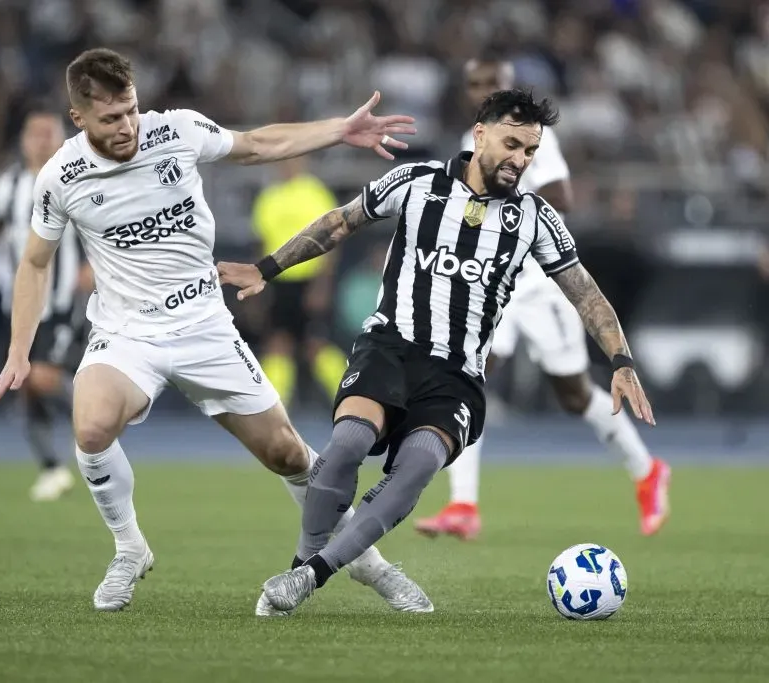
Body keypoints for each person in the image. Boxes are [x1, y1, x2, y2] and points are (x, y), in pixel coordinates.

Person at [0, 48, 433, 615]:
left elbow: (259, 144)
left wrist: (339, 130)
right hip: (126, 334)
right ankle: (129, 548)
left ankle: (370, 565)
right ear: (79, 119)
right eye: (110, 119)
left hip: (204, 327)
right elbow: (36, 263)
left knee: (287, 454)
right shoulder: (60, 177)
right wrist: (19, 350)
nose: (127, 127)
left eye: (131, 111)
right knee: (91, 429)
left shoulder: (178, 131)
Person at [218, 89, 656, 614]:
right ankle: (308, 565)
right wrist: (266, 268)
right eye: (512, 143)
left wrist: (621, 360)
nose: (520, 159)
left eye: (531, 151)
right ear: (480, 133)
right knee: (348, 443)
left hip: (456, 375)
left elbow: (585, 292)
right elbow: (339, 222)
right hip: (389, 347)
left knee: (419, 463)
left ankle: (308, 576)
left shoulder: (535, 218)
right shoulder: (417, 181)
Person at [415, 56, 670, 540]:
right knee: (472, 378)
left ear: (510, 85)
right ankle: (464, 504)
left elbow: (563, 197)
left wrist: (508, 214)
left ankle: (647, 470)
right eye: (476, 83)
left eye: (494, 81)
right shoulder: (466, 145)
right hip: (492, 282)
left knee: (573, 395)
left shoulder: (532, 139)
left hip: (535, 282)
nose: (484, 88)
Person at [0, 110, 88, 501]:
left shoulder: (77, 177)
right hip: (21, 303)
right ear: (24, 140)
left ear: (62, 137)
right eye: (36, 133)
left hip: (62, 300)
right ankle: (51, 468)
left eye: (50, 133)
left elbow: (100, 228)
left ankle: (100, 414)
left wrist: (92, 267)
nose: (43, 140)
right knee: (24, 383)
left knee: (42, 376)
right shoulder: (9, 183)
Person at [251, 156, 349, 407]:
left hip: (310, 279)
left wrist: (322, 285)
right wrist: (259, 282)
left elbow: (332, 240)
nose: (287, 166)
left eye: (293, 162)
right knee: (277, 345)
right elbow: (262, 243)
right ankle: (274, 409)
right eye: (283, 162)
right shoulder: (269, 197)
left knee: (316, 346)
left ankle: (350, 399)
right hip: (279, 281)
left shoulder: (315, 193)